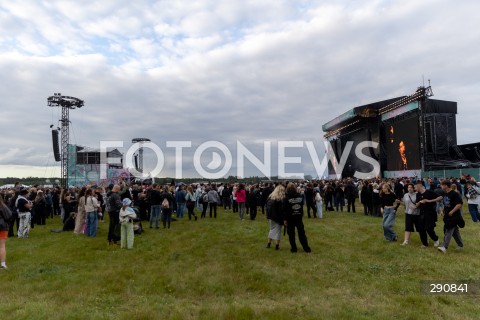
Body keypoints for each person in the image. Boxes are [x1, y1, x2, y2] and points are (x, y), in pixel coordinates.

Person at [283, 183, 311, 253]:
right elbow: (301, 205)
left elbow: (285, 210)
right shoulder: (300, 196)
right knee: (301, 233)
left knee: (291, 234)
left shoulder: (286, 198)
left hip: (290, 218)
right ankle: (306, 248)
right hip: (298, 217)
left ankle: (294, 248)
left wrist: (285, 219)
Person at [437, 181, 464, 253]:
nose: (441, 187)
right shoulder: (445, 193)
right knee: (454, 231)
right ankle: (460, 245)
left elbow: (459, 204)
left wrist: (452, 211)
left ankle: (444, 247)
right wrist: (442, 211)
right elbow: (445, 204)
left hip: (454, 216)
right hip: (447, 216)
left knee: (448, 229)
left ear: (446, 185)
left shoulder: (455, 194)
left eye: (442, 185)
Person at [415, 181, 441, 247]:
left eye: (415, 187)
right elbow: (417, 203)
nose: (415, 189)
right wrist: (417, 205)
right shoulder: (418, 194)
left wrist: (428, 201)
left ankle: (436, 239)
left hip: (430, 213)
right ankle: (424, 243)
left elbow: (440, 197)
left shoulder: (430, 192)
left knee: (429, 228)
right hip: (422, 213)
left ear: (419, 186)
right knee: (421, 229)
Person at [266, 184, 285, 250]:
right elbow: (281, 211)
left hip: (271, 217)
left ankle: (269, 243)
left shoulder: (270, 197)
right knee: (278, 232)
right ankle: (277, 245)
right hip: (277, 218)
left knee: (271, 230)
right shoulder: (279, 199)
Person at [0, 196, 12, 269]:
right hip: (2, 227)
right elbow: (9, 216)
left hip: (2, 227)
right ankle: (3, 264)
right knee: (2, 246)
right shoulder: (2, 206)